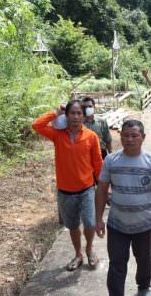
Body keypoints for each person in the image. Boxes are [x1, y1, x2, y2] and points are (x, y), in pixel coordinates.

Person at [95, 120, 151, 296]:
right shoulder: (111, 160)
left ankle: (144, 287)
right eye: (125, 135)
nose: (129, 139)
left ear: (143, 137)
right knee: (117, 263)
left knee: (144, 260)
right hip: (117, 225)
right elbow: (101, 191)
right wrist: (98, 219)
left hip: (144, 225)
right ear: (120, 136)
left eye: (134, 135)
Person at [32, 100, 103, 271]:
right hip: (65, 191)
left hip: (86, 188)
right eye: (72, 113)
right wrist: (55, 112)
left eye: (79, 113)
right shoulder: (58, 135)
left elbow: (98, 162)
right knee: (72, 226)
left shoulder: (91, 136)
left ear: (83, 116)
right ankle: (78, 254)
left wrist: (103, 187)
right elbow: (37, 125)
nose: (76, 117)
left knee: (90, 223)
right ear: (67, 115)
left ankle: (89, 249)